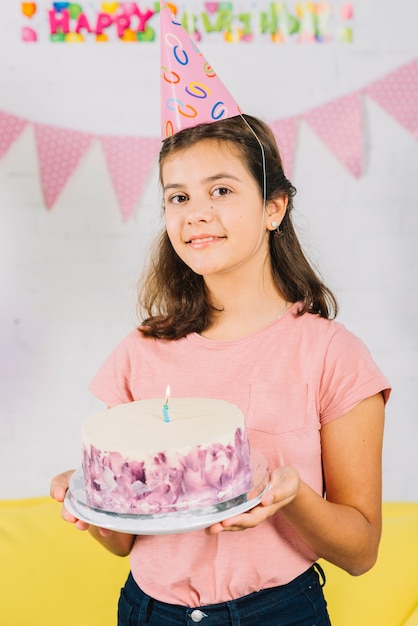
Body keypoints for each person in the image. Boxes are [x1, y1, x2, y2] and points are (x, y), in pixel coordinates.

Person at [51, 112, 390, 626]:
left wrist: (292, 494)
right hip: (148, 612)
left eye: (222, 191)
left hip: (279, 613)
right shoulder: (140, 351)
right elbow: (121, 543)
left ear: (274, 207)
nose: (195, 214)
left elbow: (361, 552)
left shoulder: (333, 357)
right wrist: (90, 499)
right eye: (178, 197)